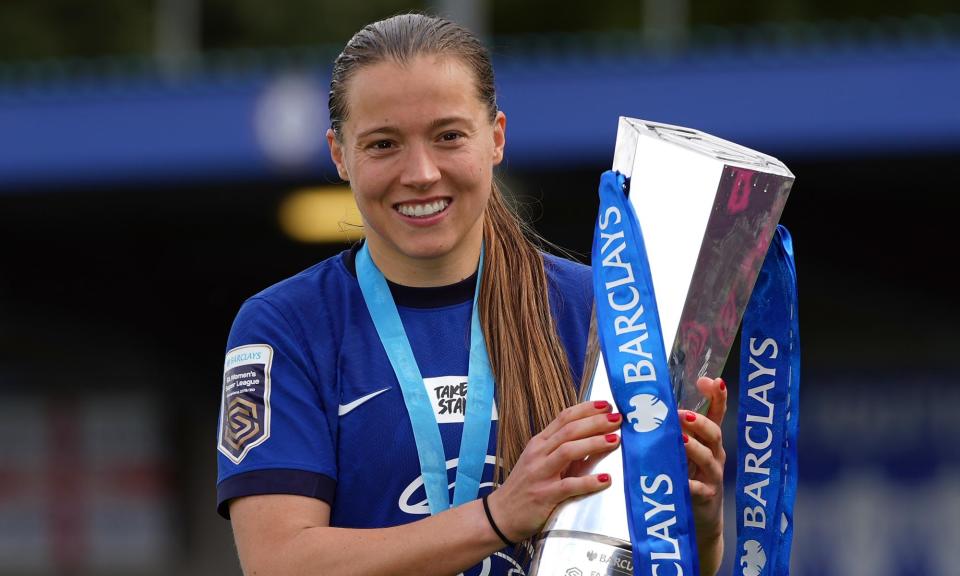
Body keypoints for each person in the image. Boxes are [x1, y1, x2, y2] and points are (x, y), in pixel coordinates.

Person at [216, 13, 727, 576]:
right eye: (383, 143)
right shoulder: (286, 326)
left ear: (496, 137)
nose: (421, 172)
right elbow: (279, 563)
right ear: (340, 154)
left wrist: (697, 523)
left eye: (449, 136)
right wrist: (498, 517)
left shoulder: (605, 308)